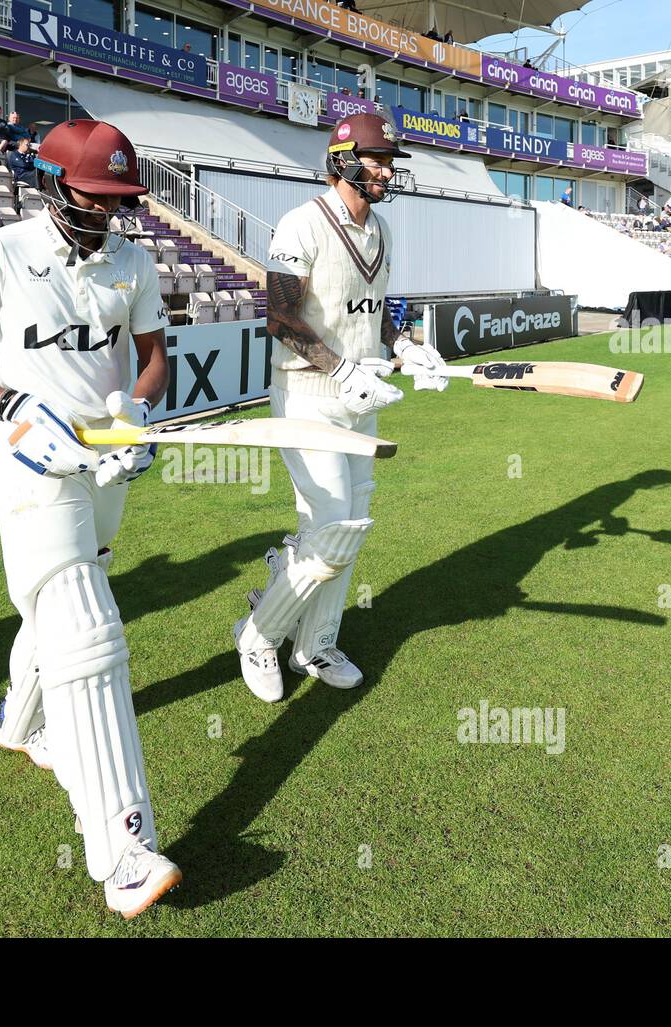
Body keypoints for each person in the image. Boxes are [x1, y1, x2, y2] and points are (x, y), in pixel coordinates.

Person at [0, 119, 181, 919]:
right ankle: (123, 848)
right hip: (25, 453)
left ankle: (18, 717)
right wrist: (16, 405)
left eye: (118, 202)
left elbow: (155, 354)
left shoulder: (132, 260)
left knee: (77, 577)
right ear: (53, 185)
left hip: (101, 455)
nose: (106, 215)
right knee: (85, 622)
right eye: (93, 199)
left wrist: (134, 408)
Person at [233, 113, 447, 703]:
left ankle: (316, 643)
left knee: (348, 530)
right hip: (308, 393)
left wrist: (405, 346)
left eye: (389, 162)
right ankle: (258, 634)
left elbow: (372, 314)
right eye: (377, 160)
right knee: (330, 526)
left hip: (362, 395)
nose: (385, 170)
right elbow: (279, 318)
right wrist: (340, 368)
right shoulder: (301, 224)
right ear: (342, 160)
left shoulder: (382, 229)